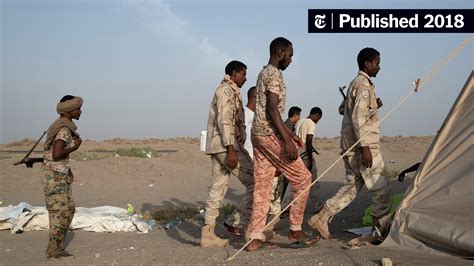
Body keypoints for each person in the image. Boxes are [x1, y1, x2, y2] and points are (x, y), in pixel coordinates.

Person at [308, 47, 391, 239]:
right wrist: (365, 148)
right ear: (367, 63)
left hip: (351, 145)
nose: (379, 67)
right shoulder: (363, 85)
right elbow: (358, 118)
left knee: (352, 187)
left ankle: (322, 217)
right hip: (363, 146)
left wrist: (373, 105)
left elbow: (343, 109)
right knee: (382, 191)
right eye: (377, 63)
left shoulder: (356, 83)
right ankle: (381, 230)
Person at [246, 37, 317, 251]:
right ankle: (295, 228)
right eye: (290, 54)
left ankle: (255, 236)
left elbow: (269, 111)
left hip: (258, 135)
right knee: (303, 178)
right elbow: (273, 109)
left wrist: (290, 134)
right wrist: (287, 141)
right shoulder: (274, 74)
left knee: (263, 185)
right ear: (280, 52)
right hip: (269, 136)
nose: (291, 59)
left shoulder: (263, 73)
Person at [202, 60, 254, 247]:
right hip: (226, 147)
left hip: (220, 147)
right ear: (234, 73)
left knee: (217, 189)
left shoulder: (231, 91)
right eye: (243, 74)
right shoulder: (226, 91)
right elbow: (225, 120)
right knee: (255, 181)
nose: (245, 78)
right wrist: (231, 149)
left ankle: (207, 234)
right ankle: (242, 224)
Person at [42, 95, 83, 259]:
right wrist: (75, 147)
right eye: (78, 108)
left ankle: (57, 247)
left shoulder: (62, 125)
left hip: (59, 173)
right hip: (54, 176)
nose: (81, 111)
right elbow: (57, 153)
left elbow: (56, 155)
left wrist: (69, 171)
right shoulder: (64, 129)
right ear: (69, 110)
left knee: (69, 209)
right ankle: (53, 249)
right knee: (60, 212)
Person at [242, 86, 281, 231]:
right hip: (250, 158)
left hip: (257, 158)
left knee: (260, 191)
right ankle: (238, 222)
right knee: (258, 192)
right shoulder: (245, 115)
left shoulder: (255, 116)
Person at [295, 107, 323, 214]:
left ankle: (286, 207)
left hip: (298, 156)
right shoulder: (311, 123)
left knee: (297, 183)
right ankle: (317, 207)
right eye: (318, 119)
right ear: (316, 115)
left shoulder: (299, 122)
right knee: (313, 182)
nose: (317, 121)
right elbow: (309, 141)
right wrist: (311, 160)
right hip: (306, 156)